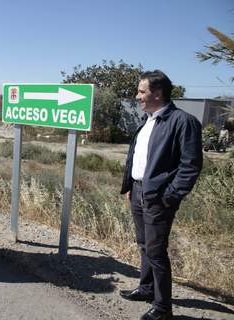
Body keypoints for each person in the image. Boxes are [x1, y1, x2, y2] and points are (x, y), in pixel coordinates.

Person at [120, 70, 203, 320]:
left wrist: (170, 196)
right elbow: (137, 158)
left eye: (142, 91)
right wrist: (130, 187)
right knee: (144, 245)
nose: (137, 96)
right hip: (138, 192)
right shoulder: (147, 119)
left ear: (157, 93)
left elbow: (191, 165)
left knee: (156, 252)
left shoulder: (183, 121)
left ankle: (163, 308)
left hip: (159, 198)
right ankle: (146, 289)